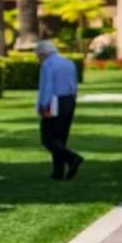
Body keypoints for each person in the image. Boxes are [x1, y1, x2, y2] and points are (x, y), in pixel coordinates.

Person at [36, 40, 83, 180]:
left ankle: (73, 158)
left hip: (54, 101)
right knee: (61, 138)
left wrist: (43, 104)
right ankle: (58, 171)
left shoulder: (47, 64)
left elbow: (47, 86)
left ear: (44, 53)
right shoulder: (69, 63)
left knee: (48, 138)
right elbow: (74, 85)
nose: (38, 59)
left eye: (38, 56)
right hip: (69, 100)